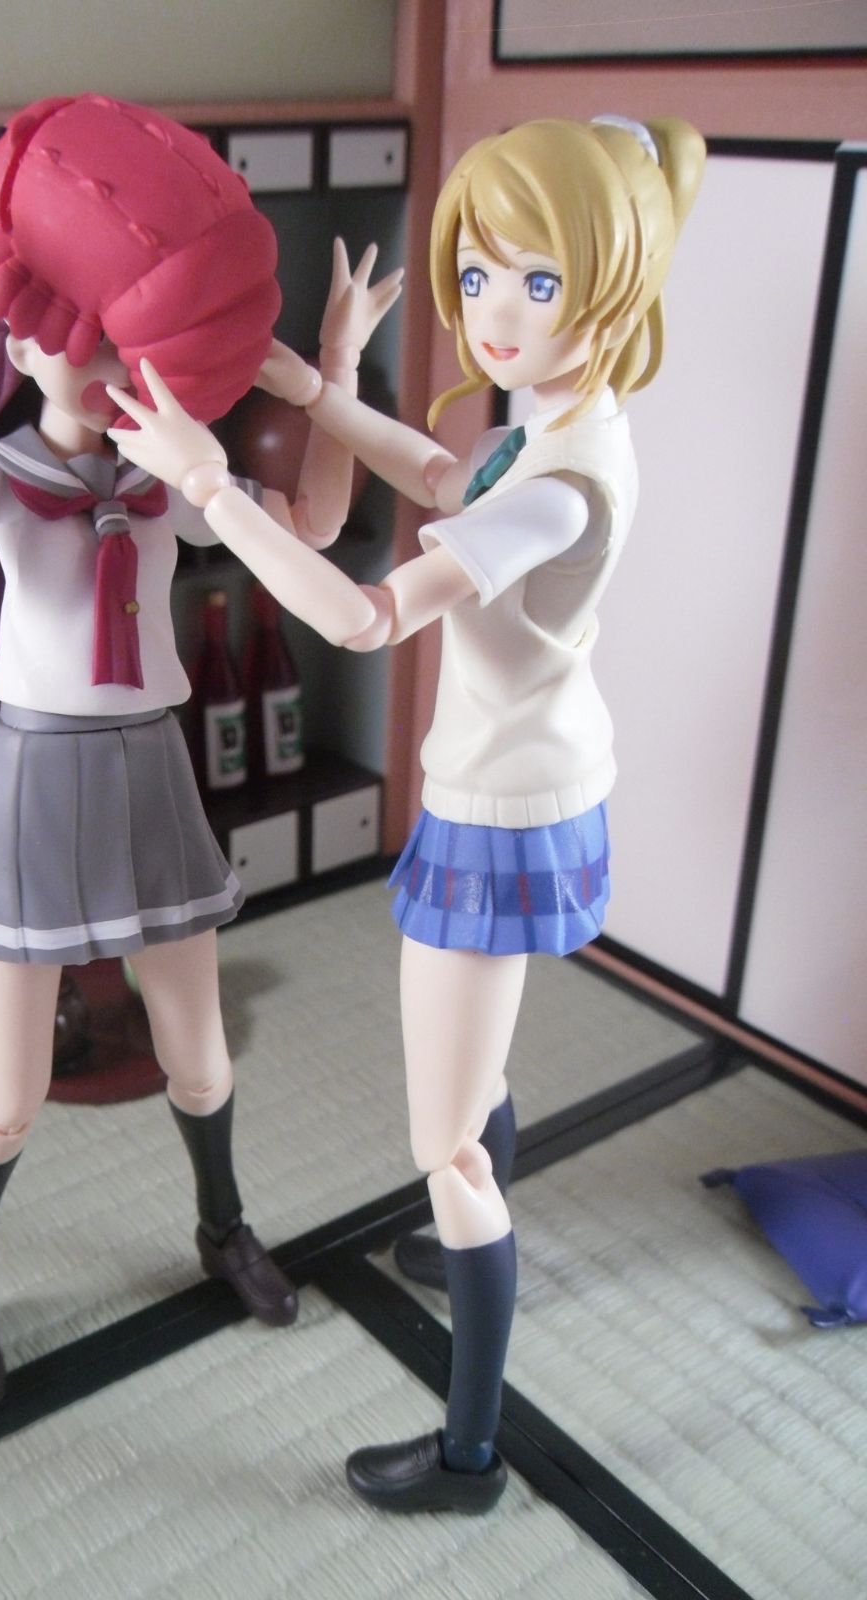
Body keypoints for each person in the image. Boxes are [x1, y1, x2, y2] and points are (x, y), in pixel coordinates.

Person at [105, 113, 705, 1511]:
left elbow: (366, 616)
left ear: (613, 287)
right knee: (472, 1078)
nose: (494, 312)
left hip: (501, 810)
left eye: (539, 282)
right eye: (480, 273)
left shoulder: (563, 488)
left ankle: (468, 1453)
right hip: (522, 778)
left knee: (446, 1140)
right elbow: (443, 477)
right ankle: (454, 1243)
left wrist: (210, 485)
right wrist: (316, 384)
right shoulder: (557, 425)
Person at [0, 94, 398, 1408]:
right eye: (72, 334)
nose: (98, 359)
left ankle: (222, 1227)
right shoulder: (1, 482)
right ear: (20, 339)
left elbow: (309, 523)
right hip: (33, 782)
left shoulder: (170, 475)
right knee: (6, 1097)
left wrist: (336, 371)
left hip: (147, 772)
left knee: (203, 1059)